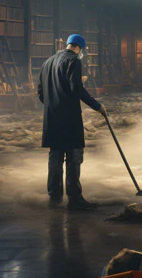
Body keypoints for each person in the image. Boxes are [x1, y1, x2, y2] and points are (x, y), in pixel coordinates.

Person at [38, 34, 107, 211]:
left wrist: (53, 104)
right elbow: (76, 89)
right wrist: (97, 106)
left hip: (51, 118)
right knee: (74, 157)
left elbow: (41, 93)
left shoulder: (48, 62)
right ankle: (75, 199)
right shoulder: (74, 61)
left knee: (55, 157)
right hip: (69, 118)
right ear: (79, 48)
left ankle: (54, 198)